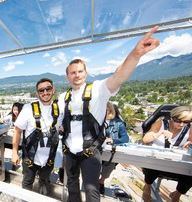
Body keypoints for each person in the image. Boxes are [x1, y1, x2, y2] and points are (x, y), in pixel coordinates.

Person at [58, 26, 160, 202]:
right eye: (73, 72)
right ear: (67, 76)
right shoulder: (63, 97)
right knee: (72, 188)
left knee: (91, 191)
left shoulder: (98, 89)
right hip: (69, 152)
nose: (77, 75)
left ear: (86, 73)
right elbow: (60, 121)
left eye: (80, 71)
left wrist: (136, 54)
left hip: (90, 152)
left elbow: (118, 76)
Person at [11, 78, 61, 196]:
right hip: (30, 157)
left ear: (53, 90)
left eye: (48, 89)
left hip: (49, 158)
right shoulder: (28, 109)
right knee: (27, 182)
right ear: (37, 93)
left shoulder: (59, 109)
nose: (45, 93)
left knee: (45, 182)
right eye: (41, 90)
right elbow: (17, 131)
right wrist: (14, 152)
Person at [142, 106, 192, 202]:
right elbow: (145, 139)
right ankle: (147, 186)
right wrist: (159, 133)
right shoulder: (161, 123)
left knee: (190, 172)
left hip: (177, 163)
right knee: (151, 165)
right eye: (178, 121)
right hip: (158, 161)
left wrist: (189, 143)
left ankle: (176, 195)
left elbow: (191, 142)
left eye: (186, 122)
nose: (182, 124)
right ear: (172, 118)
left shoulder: (190, 129)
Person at [99, 102, 129, 195]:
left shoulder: (119, 124)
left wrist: (113, 140)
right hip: (97, 149)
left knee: (110, 163)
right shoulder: (96, 121)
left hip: (109, 152)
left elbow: (125, 138)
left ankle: (101, 182)